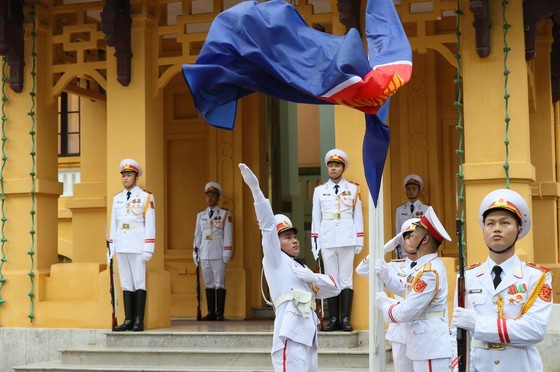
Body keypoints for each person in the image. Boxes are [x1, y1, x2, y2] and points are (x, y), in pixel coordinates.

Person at [239, 163, 341, 372]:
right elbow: (267, 226)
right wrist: (256, 191)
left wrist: (312, 278)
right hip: (290, 333)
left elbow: (335, 287)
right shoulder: (275, 260)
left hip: (309, 336)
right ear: (276, 243)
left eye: (295, 237)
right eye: (287, 237)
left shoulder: (301, 269)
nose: (294, 241)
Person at [451, 189, 553, 371]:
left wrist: (478, 325)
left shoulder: (536, 277)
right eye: (490, 223)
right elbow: (456, 329)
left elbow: (534, 330)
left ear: (519, 230)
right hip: (478, 366)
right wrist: (456, 362)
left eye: (505, 222)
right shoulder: (467, 277)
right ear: (483, 231)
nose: (496, 228)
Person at [375, 206, 453, 371]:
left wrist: (385, 305)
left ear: (424, 240)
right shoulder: (420, 267)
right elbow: (406, 289)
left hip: (430, 347)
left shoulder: (429, 272)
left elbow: (405, 312)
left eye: (415, 233)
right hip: (421, 344)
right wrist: (387, 276)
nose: (410, 237)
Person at [355, 218, 419, 372]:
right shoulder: (394, 266)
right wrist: (385, 248)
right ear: (402, 241)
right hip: (400, 330)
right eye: (407, 237)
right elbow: (361, 269)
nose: (411, 241)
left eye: (415, 236)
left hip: (421, 328)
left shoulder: (430, 265)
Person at [311, 148, 363, 332]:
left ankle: (345, 319)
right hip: (326, 238)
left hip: (347, 238)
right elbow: (316, 218)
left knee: (346, 280)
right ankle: (333, 319)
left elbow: (358, 216)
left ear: (343, 168)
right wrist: (315, 243)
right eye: (331, 165)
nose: (333, 169)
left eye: (337, 165)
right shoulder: (319, 191)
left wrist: (359, 240)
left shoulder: (353, 189)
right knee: (331, 280)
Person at [109, 158, 155, 332]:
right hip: (121, 243)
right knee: (126, 282)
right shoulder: (117, 199)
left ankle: (138, 320)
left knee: (139, 281)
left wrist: (148, 247)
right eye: (124, 175)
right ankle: (128, 319)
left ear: (136, 178)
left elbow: (150, 223)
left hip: (137, 243)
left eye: (129, 175)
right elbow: (114, 223)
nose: (125, 178)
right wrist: (111, 246)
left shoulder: (145, 197)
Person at [193, 182, 233, 321]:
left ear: (218, 198)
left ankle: (220, 312)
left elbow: (228, 235)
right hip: (204, 253)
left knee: (219, 283)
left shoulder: (224, 214)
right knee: (208, 283)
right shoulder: (201, 215)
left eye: (213, 195)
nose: (210, 198)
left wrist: (227, 252)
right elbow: (197, 236)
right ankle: (211, 312)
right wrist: (195, 252)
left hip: (218, 252)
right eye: (208, 195)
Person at [394, 174, 430, 250]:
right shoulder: (400, 210)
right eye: (408, 189)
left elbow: (428, 231)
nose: (411, 191)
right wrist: (398, 249)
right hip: (405, 249)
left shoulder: (426, 209)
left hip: (421, 247)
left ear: (419, 191)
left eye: (414, 189)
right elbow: (398, 231)